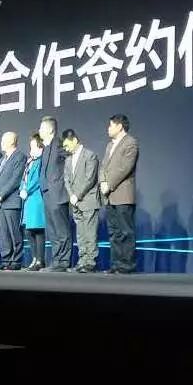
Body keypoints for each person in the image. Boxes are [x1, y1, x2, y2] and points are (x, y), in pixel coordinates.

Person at [101, 114, 139, 274]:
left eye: (111, 125)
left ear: (120, 126)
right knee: (114, 232)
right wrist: (102, 182)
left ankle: (127, 264)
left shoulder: (131, 143)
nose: (108, 128)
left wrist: (109, 184)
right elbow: (103, 166)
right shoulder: (109, 145)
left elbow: (125, 168)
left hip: (123, 194)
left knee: (125, 231)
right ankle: (116, 264)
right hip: (109, 196)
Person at [62, 129, 100, 273]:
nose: (66, 149)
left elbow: (90, 179)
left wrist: (77, 195)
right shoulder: (68, 160)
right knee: (80, 234)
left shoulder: (90, 155)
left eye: (67, 145)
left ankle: (90, 262)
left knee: (90, 233)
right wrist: (71, 195)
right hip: (75, 202)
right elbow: (66, 179)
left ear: (75, 140)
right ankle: (82, 260)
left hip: (88, 200)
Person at [38, 116, 72, 271]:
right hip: (46, 194)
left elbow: (71, 160)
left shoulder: (59, 143)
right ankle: (57, 260)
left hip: (58, 193)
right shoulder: (46, 147)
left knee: (61, 229)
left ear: (50, 129)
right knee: (52, 230)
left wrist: (61, 181)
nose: (39, 130)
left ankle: (64, 261)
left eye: (42, 128)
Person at [0, 131, 26, 270]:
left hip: (11, 201)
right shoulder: (2, 159)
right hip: (0, 203)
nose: (1, 143)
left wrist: (2, 193)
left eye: (3, 140)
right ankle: (6, 260)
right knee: (4, 233)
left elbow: (16, 179)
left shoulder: (20, 157)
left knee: (14, 232)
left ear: (11, 141)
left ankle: (16, 261)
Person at [21, 133, 46, 271]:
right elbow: (23, 179)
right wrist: (22, 189)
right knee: (28, 230)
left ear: (40, 147)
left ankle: (40, 260)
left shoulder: (40, 161)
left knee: (37, 229)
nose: (31, 150)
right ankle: (34, 258)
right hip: (27, 200)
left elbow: (37, 180)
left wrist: (27, 189)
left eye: (33, 147)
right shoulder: (29, 162)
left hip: (36, 198)